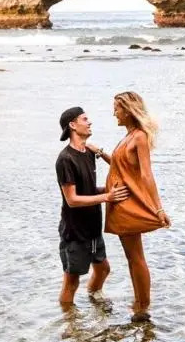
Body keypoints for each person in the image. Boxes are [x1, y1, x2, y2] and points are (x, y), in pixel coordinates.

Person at [102, 92, 170, 323]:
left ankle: (143, 307)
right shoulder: (128, 136)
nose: (114, 113)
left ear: (129, 110)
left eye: (117, 108)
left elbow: (146, 174)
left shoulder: (139, 137)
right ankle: (139, 302)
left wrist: (158, 209)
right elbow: (122, 166)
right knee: (132, 257)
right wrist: (101, 153)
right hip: (118, 204)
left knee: (136, 257)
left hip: (127, 205)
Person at [56, 106, 128, 307]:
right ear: (72, 125)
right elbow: (72, 199)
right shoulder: (65, 159)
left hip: (93, 227)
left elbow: (118, 168)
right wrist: (107, 197)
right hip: (75, 231)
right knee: (71, 282)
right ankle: (69, 321)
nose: (90, 122)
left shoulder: (88, 153)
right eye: (85, 119)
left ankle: (94, 296)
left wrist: (101, 153)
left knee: (103, 269)